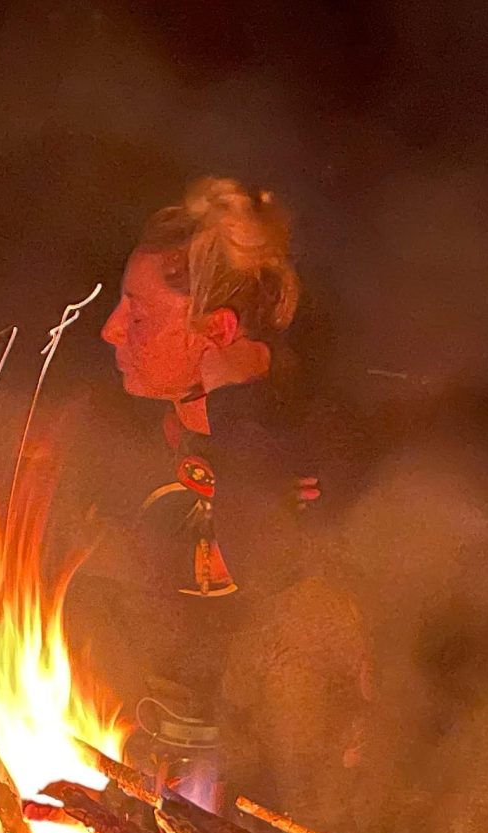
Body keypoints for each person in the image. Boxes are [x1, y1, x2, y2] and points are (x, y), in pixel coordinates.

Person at [78, 176, 363, 800]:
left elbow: (272, 576)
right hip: (137, 787)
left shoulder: (316, 447)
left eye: (140, 314)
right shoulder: (120, 436)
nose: (111, 330)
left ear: (217, 331)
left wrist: (240, 412)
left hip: (283, 818)